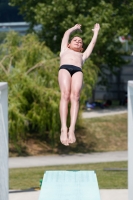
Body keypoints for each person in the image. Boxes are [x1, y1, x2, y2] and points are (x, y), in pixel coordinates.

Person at [58, 23, 100, 146]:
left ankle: (72, 129)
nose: (78, 41)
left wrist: (96, 32)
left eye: (80, 42)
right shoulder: (64, 50)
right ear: (69, 44)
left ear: (82, 48)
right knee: (65, 95)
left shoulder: (82, 55)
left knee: (75, 96)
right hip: (64, 68)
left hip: (77, 70)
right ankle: (63, 128)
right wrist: (74, 28)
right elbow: (66, 34)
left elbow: (92, 44)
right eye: (75, 40)